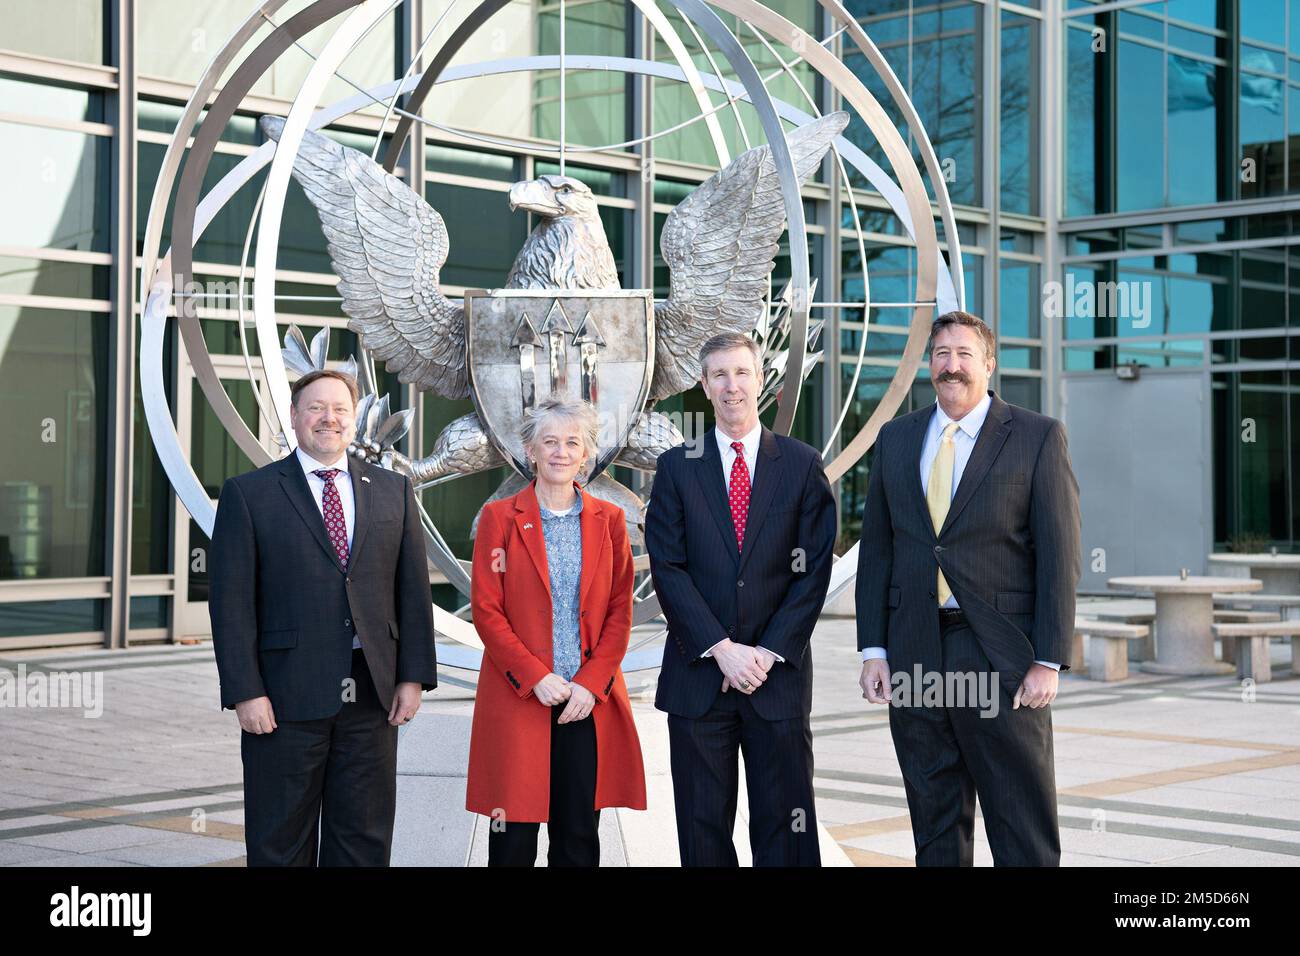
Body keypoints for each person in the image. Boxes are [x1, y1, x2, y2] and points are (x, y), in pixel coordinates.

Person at [856, 310, 1081, 866]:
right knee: (934, 823)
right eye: (941, 354)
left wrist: (1049, 659)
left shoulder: (1036, 436)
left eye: (963, 354)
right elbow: (878, 551)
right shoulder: (896, 438)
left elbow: (1060, 555)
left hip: (1000, 657)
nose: (951, 366)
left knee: (1019, 822)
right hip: (914, 653)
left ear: (988, 364)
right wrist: (874, 649)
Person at [209, 369, 437, 866]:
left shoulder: (393, 491)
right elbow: (230, 604)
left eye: (339, 408)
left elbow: (412, 592)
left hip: (372, 694)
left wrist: (413, 677)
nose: (328, 418)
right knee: (279, 840)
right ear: (294, 417)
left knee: (363, 838)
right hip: (285, 696)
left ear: (354, 419)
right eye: (315, 408)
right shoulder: (249, 494)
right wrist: (246, 691)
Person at [645, 332, 838, 867]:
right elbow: (669, 568)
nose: (732, 386)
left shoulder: (800, 465)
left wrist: (765, 652)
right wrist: (721, 648)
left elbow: (812, 570)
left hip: (777, 679)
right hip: (699, 679)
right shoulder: (677, 466)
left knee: (788, 832)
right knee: (703, 834)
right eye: (720, 376)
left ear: (761, 379)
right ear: (704, 386)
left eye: (742, 373)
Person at [467, 395, 646, 866]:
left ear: (586, 453)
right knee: (513, 840)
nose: (560, 452)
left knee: (578, 839)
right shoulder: (499, 518)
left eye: (572, 442)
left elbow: (618, 612)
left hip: (586, 704)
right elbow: (487, 611)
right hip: (520, 697)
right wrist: (535, 677)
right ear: (530, 450)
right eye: (549, 441)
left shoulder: (609, 522)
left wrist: (590, 683)